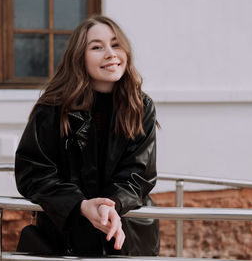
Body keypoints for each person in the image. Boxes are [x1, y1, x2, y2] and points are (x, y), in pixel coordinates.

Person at [15, 15, 159, 256]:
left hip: (126, 236)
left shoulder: (141, 107)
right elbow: (33, 172)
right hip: (66, 238)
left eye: (115, 44)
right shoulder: (52, 108)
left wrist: (111, 207)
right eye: (96, 47)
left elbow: (139, 174)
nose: (110, 53)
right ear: (79, 57)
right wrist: (80, 206)